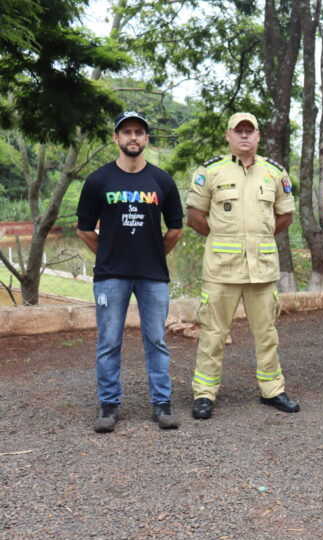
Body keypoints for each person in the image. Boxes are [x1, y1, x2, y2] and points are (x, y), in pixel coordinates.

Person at [76, 110, 184, 433]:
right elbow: (84, 229)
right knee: (108, 341)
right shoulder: (98, 180)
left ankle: (162, 405)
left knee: (157, 340)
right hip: (110, 277)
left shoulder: (162, 181)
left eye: (139, 132)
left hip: (153, 277)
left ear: (146, 139)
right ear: (116, 139)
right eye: (126, 132)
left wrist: (152, 255)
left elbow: (176, 228)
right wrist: (110, 254)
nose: (133, 137)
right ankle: (109, 406)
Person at [186, 112, 299, 419]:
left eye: (250, 131)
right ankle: (205, 394)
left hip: (261, 269)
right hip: (222, 268)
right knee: (213, 333)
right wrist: (224, 237)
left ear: (258, 137)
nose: (245, 136)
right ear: (229, 136)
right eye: (239, 131)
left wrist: (257, 239)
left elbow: (284, 216)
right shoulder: (211, 171)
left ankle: (272, 390)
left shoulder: (274, 173)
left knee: (267, 334)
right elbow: (195, 215)